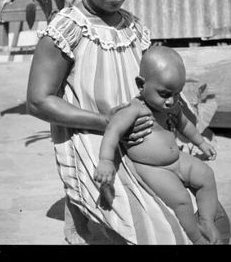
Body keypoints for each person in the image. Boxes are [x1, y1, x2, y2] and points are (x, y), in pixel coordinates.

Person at [27, 0, 230, 245]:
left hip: (144, 149)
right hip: (98, 148)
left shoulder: (134, 29)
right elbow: (38, 101)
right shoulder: (66, 30)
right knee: (163, 233)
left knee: (209, 218)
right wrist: (106, 121)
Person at [94, 46, 222, 244]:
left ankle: (206, 221)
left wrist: (200, 142)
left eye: (177, 94)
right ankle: (196, 238)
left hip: (178, 160)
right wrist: (105, 160)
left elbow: (184, 124)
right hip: (153, 168)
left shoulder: (171, 105)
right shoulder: (134, 109)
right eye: (164, 94)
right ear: (141, 84)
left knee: (206, 175)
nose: (171, 101)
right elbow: (113, 131)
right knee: (181, 199)